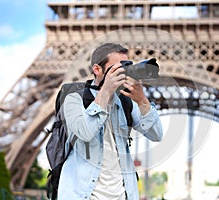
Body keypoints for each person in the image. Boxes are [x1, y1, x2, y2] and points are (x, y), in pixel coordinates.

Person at [57, 43, 163, 200]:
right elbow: (85, 132)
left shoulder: (126, 102)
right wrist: (105, 91)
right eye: (116, 68)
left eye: (125, 67)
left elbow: (157, 135)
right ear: (97, 70)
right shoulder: (74, 98)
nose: (122, 72)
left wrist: (142, 101)